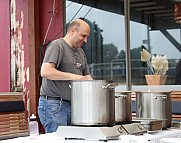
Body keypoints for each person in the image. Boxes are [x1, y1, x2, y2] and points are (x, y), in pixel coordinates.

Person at [38, 18, 93, 133]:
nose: (86, 40)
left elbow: (88, 78)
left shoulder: (80, 52)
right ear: (72, 30)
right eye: (83, 36)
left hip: (74, 106)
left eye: (87, 37)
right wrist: (75, 77)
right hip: (54, 105)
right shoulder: (57, 46)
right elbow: (45, 71)